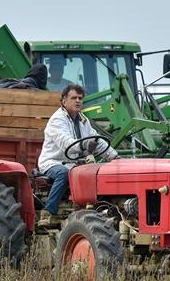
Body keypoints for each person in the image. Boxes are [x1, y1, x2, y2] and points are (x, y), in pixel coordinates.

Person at [37, 84, 118, 215]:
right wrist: (84, 145)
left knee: (99, 172)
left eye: (80, 98)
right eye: (74, 98)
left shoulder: (83, 120)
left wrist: (115, 158)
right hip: (53, 162)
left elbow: (97, 140)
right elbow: (66, 143)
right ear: (64, 101)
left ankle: (98, 209)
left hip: (73, 163)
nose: (78, 101)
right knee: (63, 174)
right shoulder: (57, 120)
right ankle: (48, 211)